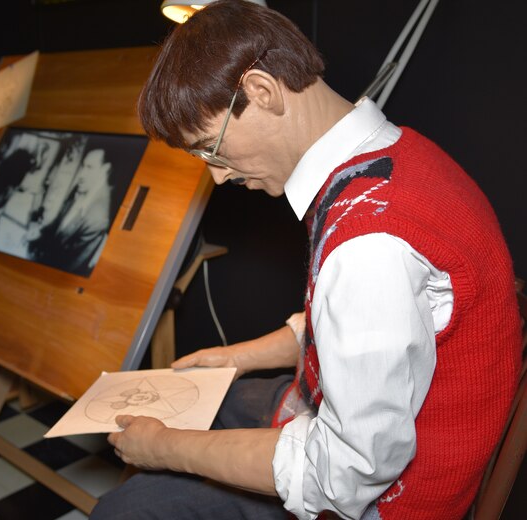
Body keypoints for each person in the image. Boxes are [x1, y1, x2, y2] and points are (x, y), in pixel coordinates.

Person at [90, 1, 522, 519]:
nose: (219, 176)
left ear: (262, 92)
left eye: (211, 148)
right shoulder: (392, 158)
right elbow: (347, 326)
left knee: (128, 509)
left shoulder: (369, 247)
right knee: (196, 400)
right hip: (360, 429)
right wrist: (235, 358)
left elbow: (343, 473)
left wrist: (164, 448)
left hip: (386, 499)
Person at [28, 148, 113, 276]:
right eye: (83, 166)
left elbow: (68, 266)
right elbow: (58, 223)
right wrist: (40, 233)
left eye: (89, 167)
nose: (81, 174)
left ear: (105, 169)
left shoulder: (98, 217)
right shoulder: (81, 188)